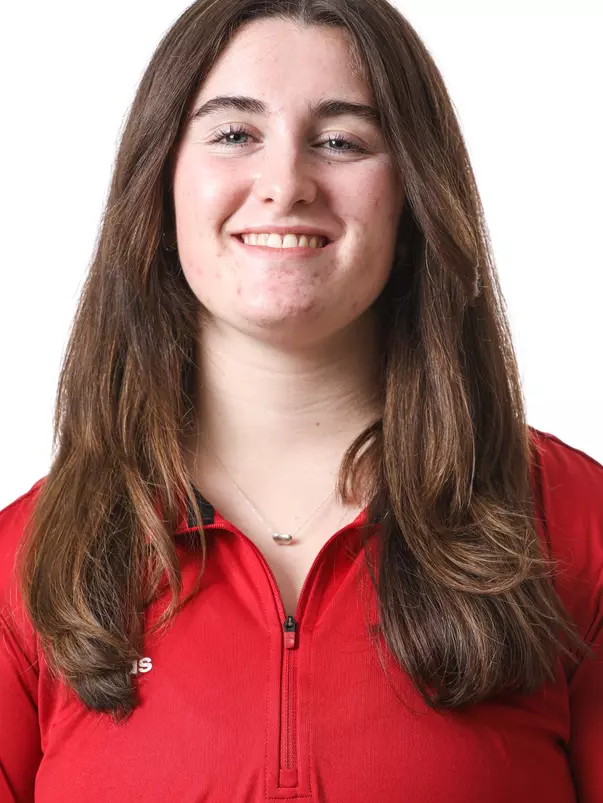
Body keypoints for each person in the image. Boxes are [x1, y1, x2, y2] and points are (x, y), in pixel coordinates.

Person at [1, 0, 601, 801]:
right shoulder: (27, 564)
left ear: (411, 196)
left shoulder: (575, 525)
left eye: (340, 140)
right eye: (234, 134)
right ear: (160, 181)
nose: (284, 184)